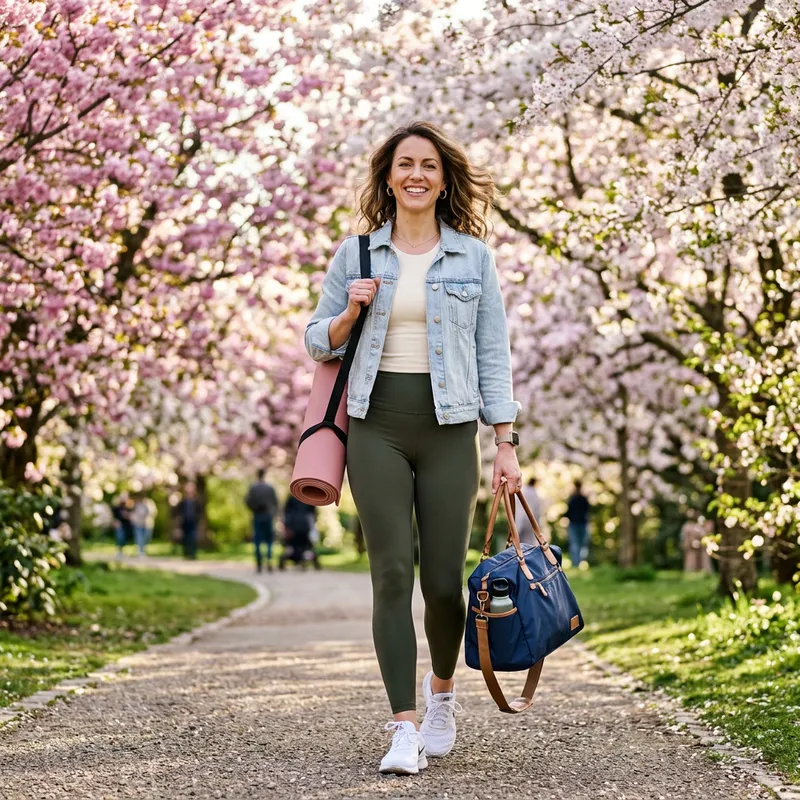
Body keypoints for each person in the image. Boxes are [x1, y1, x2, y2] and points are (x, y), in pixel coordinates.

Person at [304, 121, 521, 775]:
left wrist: (505, 441)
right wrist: (348, 312)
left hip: (451, 430)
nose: (417, 174)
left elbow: (492, 354)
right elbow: (319, 338)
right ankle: (402, 727)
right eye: (405, 164)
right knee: (392, 574)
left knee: (443, 585)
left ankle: (443, 701)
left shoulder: (473, 257)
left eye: (429, 165)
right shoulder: (358, 254)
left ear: (444, 178)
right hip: (378, 425)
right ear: (389, 177)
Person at [245, 468, 279, 573]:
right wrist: (274, 514)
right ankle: (269, 560)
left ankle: (259, 562)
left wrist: (254, 508)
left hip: (258, 516)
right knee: (269, 540)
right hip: (268, 515)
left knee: (258, 540)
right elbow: (276, 503)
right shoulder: (269, 488)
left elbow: (247, 501)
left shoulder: (253, 488)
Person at [279, 495, 320, 571]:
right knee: (305, 546)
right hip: (304, 526)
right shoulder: (309, 497)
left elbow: (286, 512)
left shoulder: (291, 498)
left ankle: (298, 559)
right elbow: (313, 513)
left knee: (294, 546)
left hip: (294, 526)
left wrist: (286, 526)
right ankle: (304, 559)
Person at [565, 481, 590, 567]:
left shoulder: (572, 498)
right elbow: (587, 511)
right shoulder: (583, 499)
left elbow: (568, 512)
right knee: (582, 543)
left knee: (575, 543)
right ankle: (580, 562)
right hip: (582, 523)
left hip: (574, 523)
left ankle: (576, 562)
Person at [514, 476, 544, 546]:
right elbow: (537, 509)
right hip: (530, 520)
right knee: (528, 542)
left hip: (519, 518)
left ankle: (516, 555)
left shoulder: (522, 491)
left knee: (517, 540)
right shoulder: (535, 494)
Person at [176, 481, 200, 560]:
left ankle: (193, 554)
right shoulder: (183, 501)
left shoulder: (196, 501)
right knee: (185, 538)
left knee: (192, 538)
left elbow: (200, 512)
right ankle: (186, 554)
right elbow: (178, 513)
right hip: (184, 522)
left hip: (193, 522)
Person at [111, 492, 133, 558]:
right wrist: (115, 521)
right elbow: (114, 515)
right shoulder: (117, 507)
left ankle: (122, 551)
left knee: (125, 538)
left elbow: (132, 515)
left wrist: (127, 515)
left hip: (127, 525)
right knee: (120, 538)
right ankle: (119, 551)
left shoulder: (129, 506)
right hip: (119, 525)